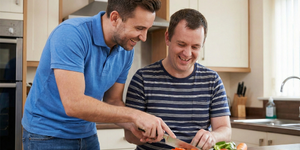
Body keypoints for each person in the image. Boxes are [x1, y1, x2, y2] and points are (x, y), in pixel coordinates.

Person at [21, 0, 176, 149]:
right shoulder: (71, 34)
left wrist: (132, 125)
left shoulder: (126, 50)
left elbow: (113, 101)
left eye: (147, 29)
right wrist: (136, 116)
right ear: (115, 18)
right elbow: (73, 104)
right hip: (47, 135)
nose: (143, 37)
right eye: (139, 28)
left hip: (87, 134)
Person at [124, 8, 231, 150]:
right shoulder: (142, 79)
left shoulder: (212, 81)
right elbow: (129, 136)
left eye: (195, 47)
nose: (187, 53)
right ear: (167, 37)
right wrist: (143, 134)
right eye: (181, 44)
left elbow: (225, 130)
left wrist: (213, 137)